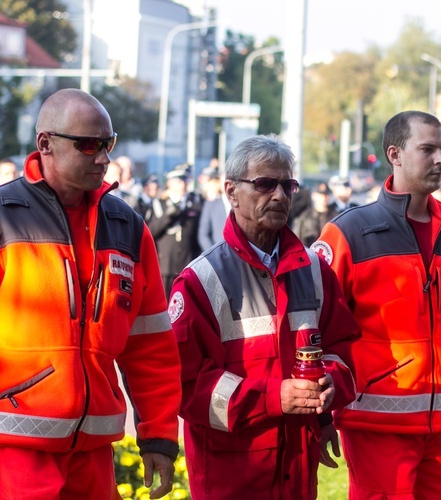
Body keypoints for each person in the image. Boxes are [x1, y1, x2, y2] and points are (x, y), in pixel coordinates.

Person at [0, 89, 181, 499]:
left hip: (94, 451)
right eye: (89, 145)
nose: (104, 158)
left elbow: (151, 346)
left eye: (108, 143)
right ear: (46, 145)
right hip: (16, 449)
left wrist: (160, 437)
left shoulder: (129, 226)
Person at [170, 134, 359, 499]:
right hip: (230, 475)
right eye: (264, 184)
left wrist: (328, 390)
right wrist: (276, 397)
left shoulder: (316, 271)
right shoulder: (199, 281)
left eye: (288, 185)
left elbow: (343, 353)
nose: (279, 195)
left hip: (296, 471)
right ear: (231, 191)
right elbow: (186, 387)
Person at [314, 110, 441, 498]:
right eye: (427, 149)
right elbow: (317, 329)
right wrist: (321, 412)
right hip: (375, 425)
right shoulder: (347, 233)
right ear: (394, 154)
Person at [146, 164, 202, 296]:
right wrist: (170, 215)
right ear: (170, 183)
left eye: (184, 180)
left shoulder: (195, 204)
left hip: (188, 262)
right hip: (166, 264)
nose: (182, 185)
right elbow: (151, 231)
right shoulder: (159, 204)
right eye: (178, 181)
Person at [293, 181, 338, 246]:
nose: (324, 198)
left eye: (326, 194)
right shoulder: (305, 217)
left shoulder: (336, 217)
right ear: (314, 196)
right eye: (320, 194)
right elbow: (297, 239)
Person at [196, 169, 229, 251]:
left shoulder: (243, 204)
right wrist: (214, 255)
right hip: (217, 254)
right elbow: (203, 234)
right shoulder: (211, 205)